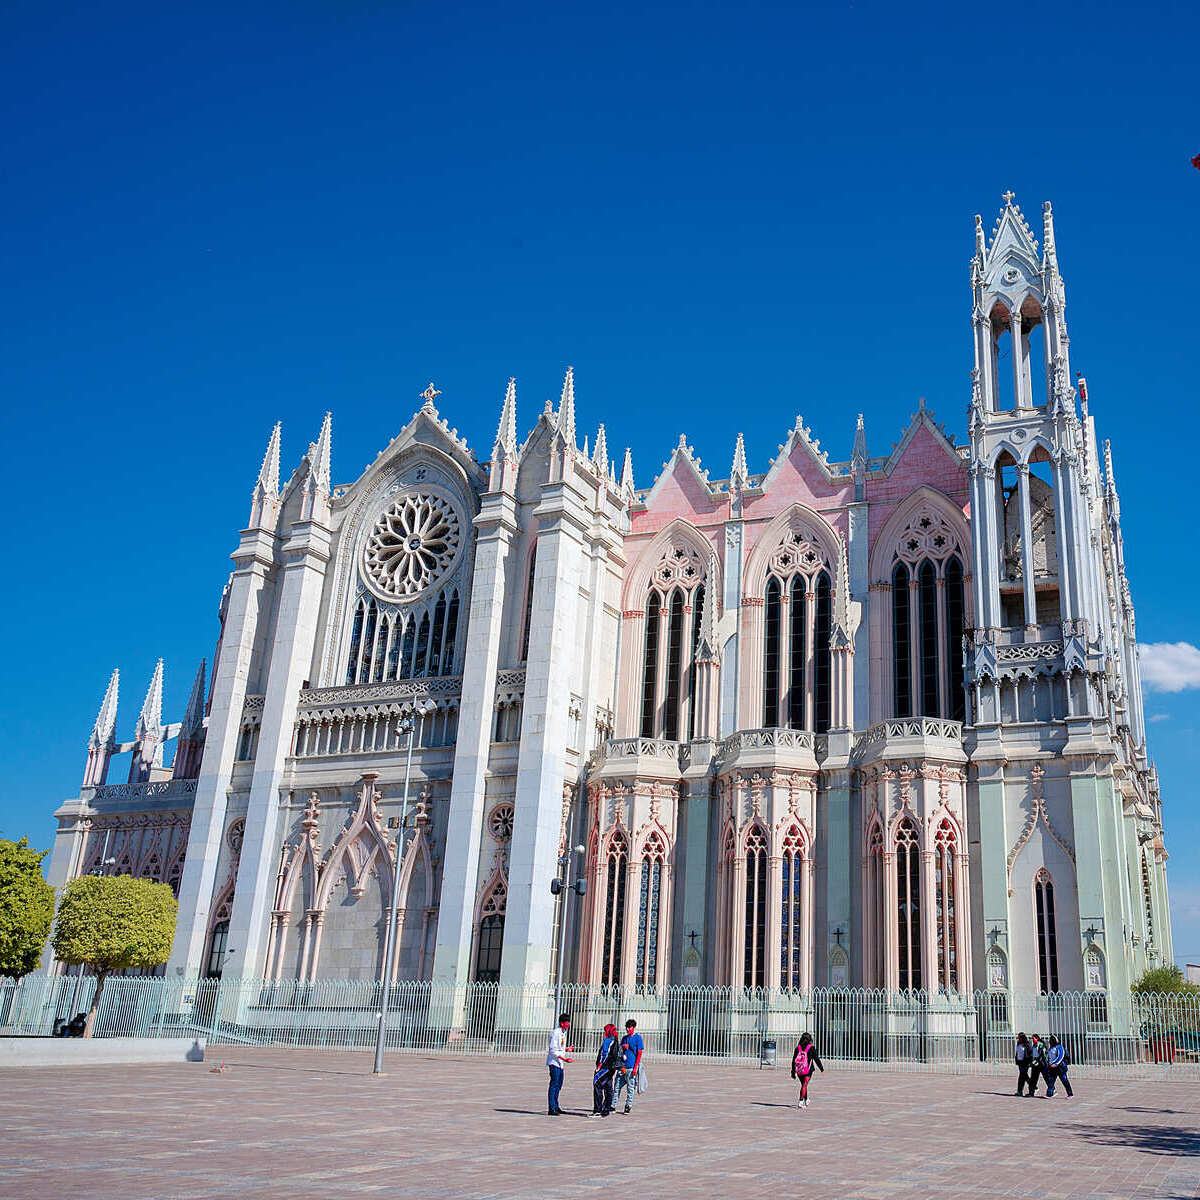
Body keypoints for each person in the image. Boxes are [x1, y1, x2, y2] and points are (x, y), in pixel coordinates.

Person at [614, 1019, 645, 1115]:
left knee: (630, 1088)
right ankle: (612, 1105)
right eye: (626, 1027)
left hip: (631, 1067)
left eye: (629, 1027)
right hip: (622, 1067)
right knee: (617, 1087)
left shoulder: (637, 1038)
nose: (628, 1029)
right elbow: (620, 1051)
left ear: (633, 1027)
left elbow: (639, 1053)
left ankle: (628, 1106)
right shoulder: (624, 1038)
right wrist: (623, 1048)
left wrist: (635, 1067)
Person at [546, 1012, 574, 1116]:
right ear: (562, 1023)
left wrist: (567, 1049)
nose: (569, 1024)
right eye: (567, 1022)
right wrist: (565, 1059)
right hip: (554, 1063)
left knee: (559, 1084)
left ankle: (556, 1106)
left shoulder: (563, 1033)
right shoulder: (556, 1033)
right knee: (554, 1084)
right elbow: (553, 1050)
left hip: (560, 1063)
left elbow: (559, 1048)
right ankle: (551, 1108)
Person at [591, 1023, 621, 1117]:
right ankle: (606, 1109)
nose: (604, 1032)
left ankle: (597, 1110)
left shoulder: (608, 1040)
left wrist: (599, 1066)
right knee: (608, 1088)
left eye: (605, 1030)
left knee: (597, 1085)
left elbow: (604, 1054)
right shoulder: (615, 1040)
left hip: (605, 1067)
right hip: (611, 1068)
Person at [790, 1031, 824, 1109]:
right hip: (808, 1070)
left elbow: (793, 1060)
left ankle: (806, 1099)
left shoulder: (797, 1048)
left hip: (799, 1070)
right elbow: (816, 1059)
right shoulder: (811, 1048)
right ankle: (801, 1101)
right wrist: (821, 1068)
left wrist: (793, 1071)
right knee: (804, 1085)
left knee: (803, 1085)